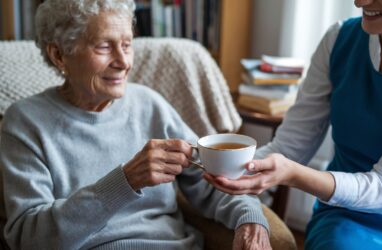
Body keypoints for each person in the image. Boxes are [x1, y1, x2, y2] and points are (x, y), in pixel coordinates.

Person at [0, 0, 271, 249]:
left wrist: (249, 216)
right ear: (59, 55)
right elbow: (29, 238)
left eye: (127, 45)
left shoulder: (149, 104)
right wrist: (125, 181)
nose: (123, 62)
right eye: (104, 47)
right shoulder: (25, 122)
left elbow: (212, 180)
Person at [205, 0, 382, 249]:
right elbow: (289, 147)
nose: (359, 1)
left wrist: (293, 174)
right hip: (344, 215)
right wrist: (211, 162)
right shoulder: (339, 39)